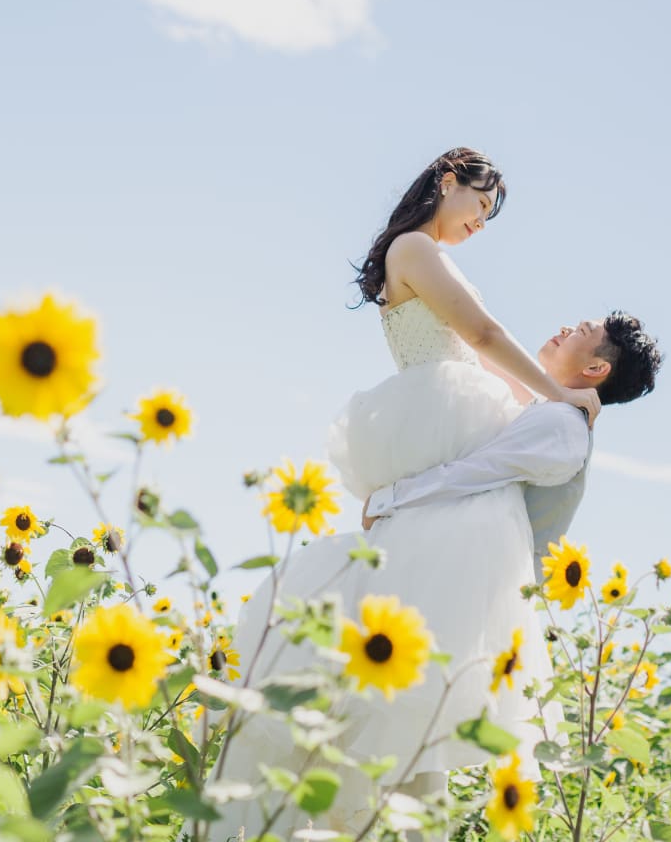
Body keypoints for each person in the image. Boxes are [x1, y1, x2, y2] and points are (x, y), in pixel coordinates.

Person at [209, 148, 603, 840]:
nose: (482, 222)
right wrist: (561, 397)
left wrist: (550, 409)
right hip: (435, 412)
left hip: (449, 421)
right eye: (481, 205)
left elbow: (482, 353)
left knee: (429, 623)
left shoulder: (430, 254)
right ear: (447, 183)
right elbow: (481, 335)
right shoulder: (417, 247)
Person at [362, 312, 663, 582]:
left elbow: (479, 472)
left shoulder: (563, 423)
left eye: (581, 331)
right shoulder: (553, 411)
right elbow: (490, 356)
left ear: (597, 367)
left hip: (475, 583)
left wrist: (388, 500)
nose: (565, 327)